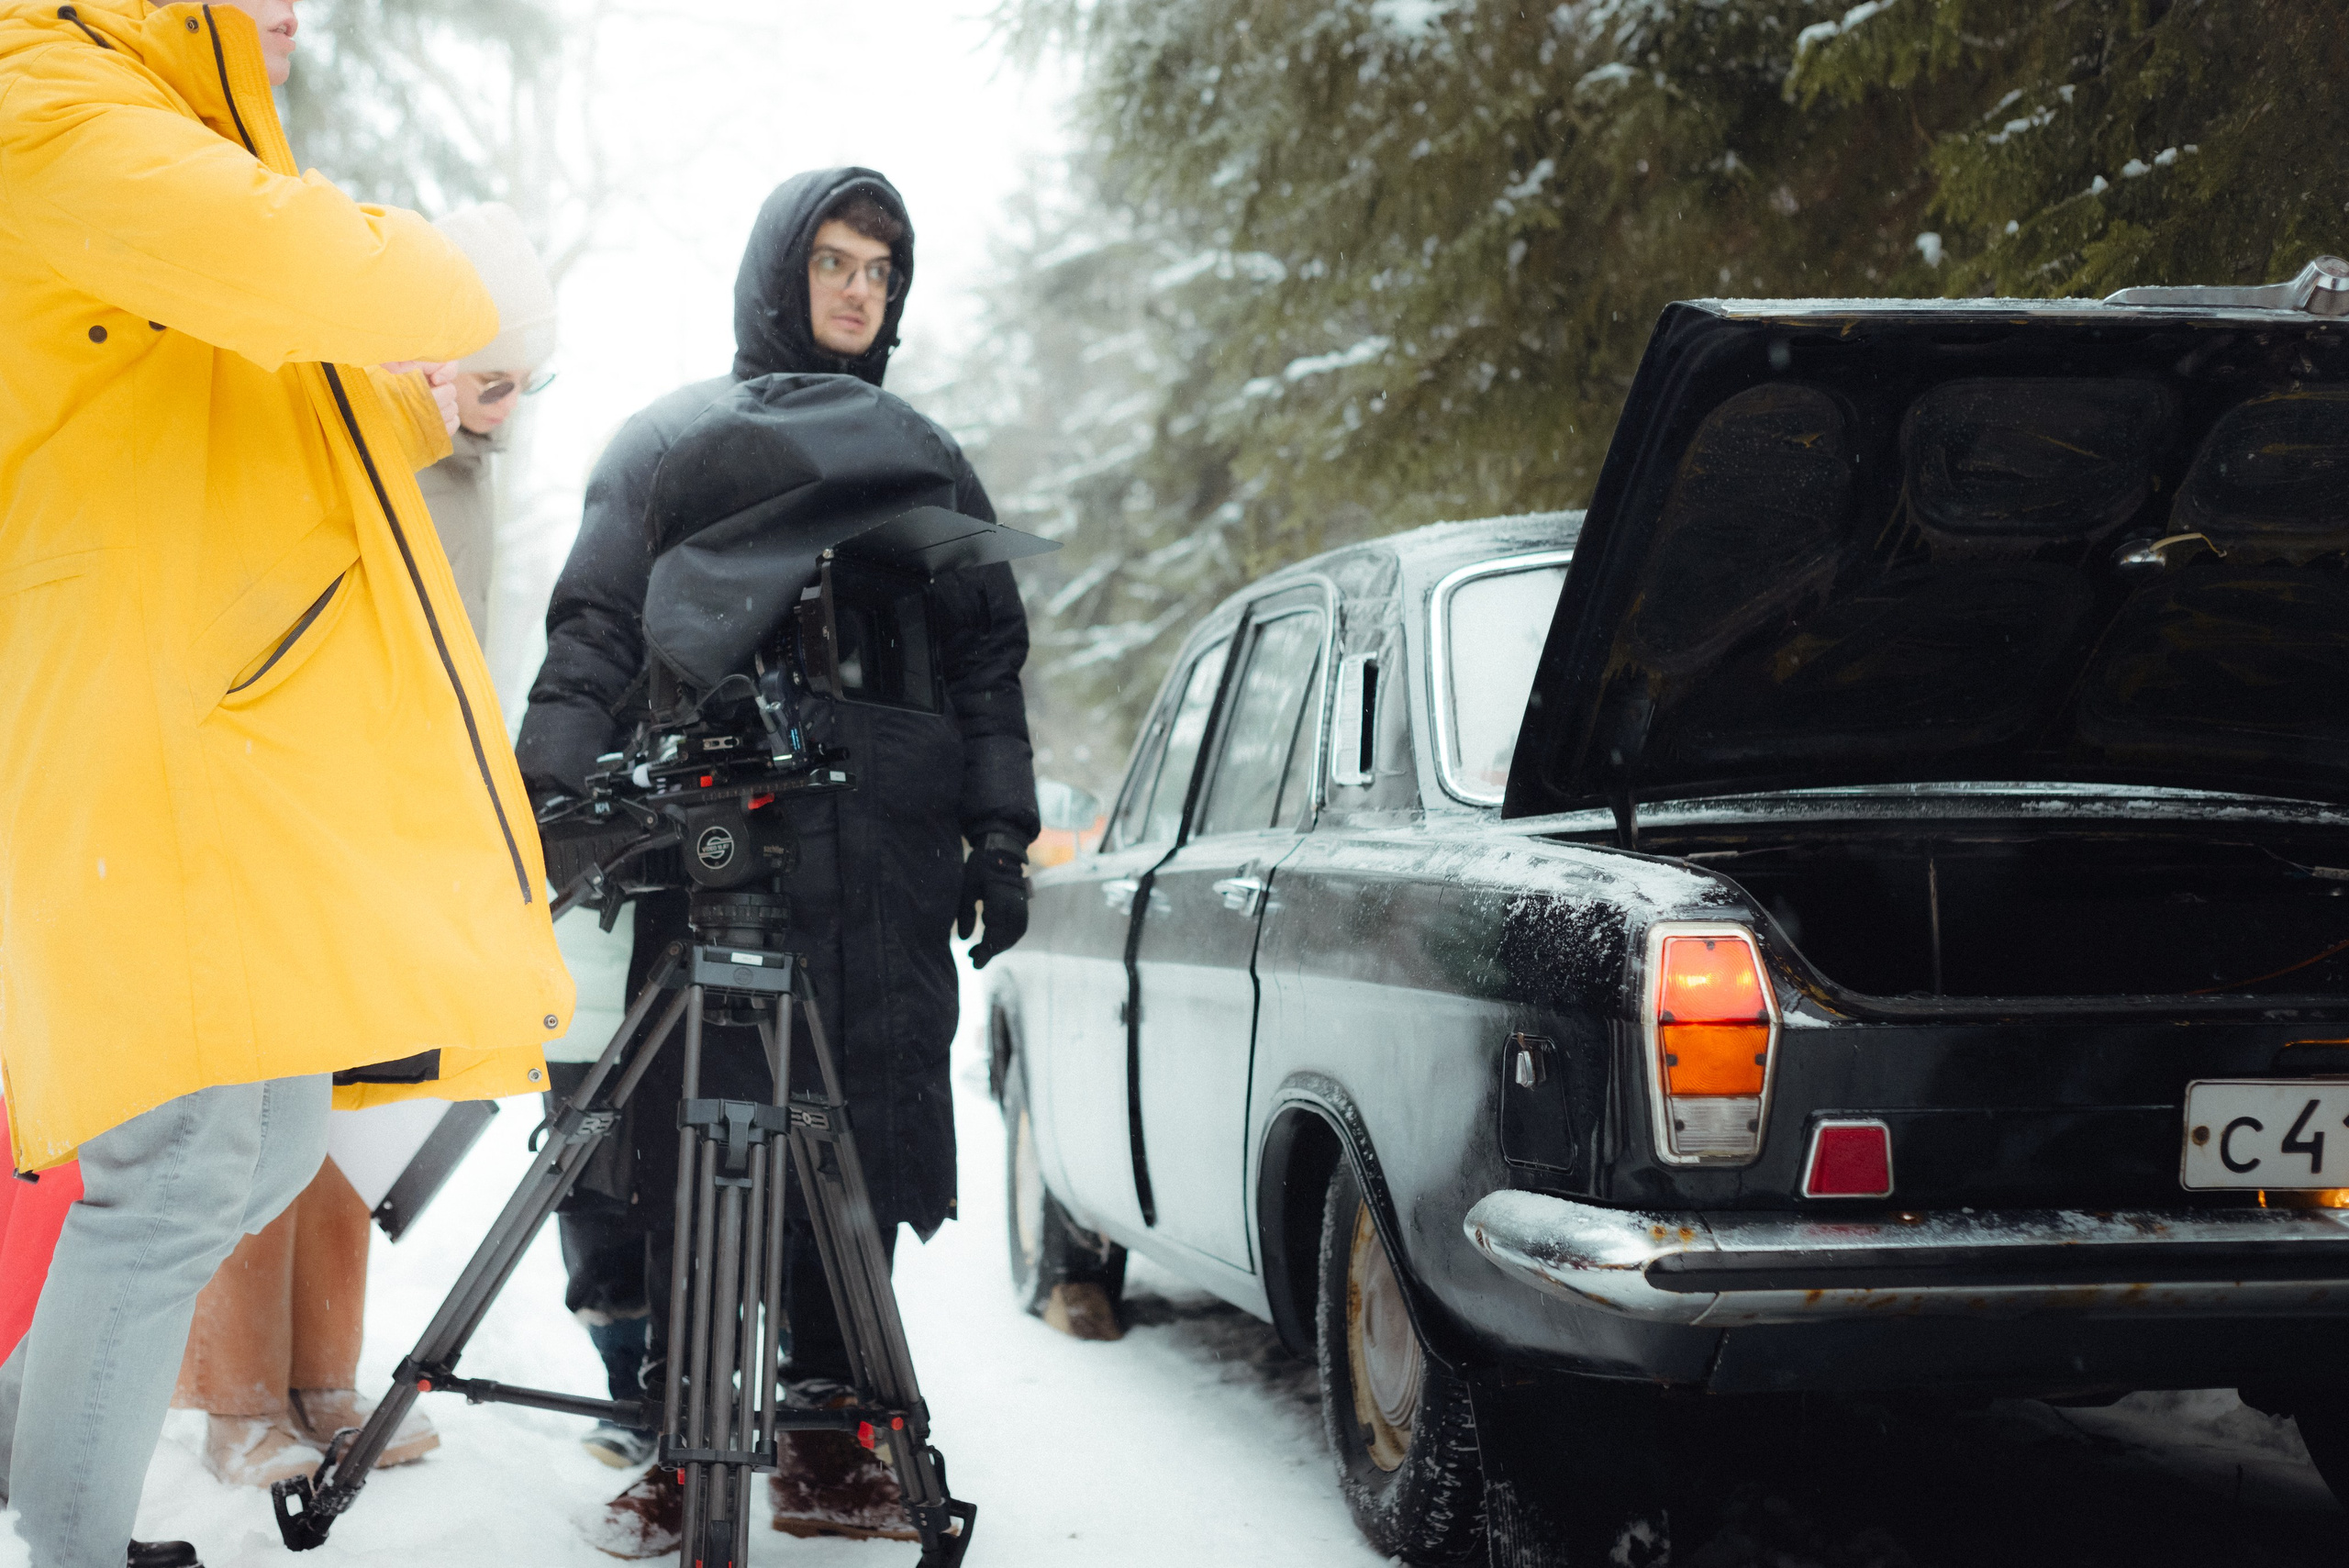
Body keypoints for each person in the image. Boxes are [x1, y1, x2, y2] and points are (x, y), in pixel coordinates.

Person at [0, 2, 574, 1564]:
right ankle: (65, 1535)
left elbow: (266, 408)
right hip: (131, 727)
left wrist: (421, 402)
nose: (294, 16)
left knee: (258, 1142)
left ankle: (28, 1430)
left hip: (210, 740)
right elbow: (281, 260)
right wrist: (474, 282)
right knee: (178, 1163)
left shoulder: (164, 126)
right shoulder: (40, 91)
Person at [515, 167, 1038, 1554]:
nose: (860, 290)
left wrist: (999, 834)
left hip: (886, 859)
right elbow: (597, 630)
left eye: (881, 271)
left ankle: (835, 1429)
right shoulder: (673, 442)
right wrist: (556, 794)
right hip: (717, 853)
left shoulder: (925, 454)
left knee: (858, 1134)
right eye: (835, 263)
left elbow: (988, 661)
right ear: (777, 273)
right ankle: (687, 1443)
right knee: (702, 1136)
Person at [417, 201, 562, 644]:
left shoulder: (475, 456)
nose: (511, 404)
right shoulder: (380, 452)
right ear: (439, 359)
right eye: (495, 382)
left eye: (527, 384)